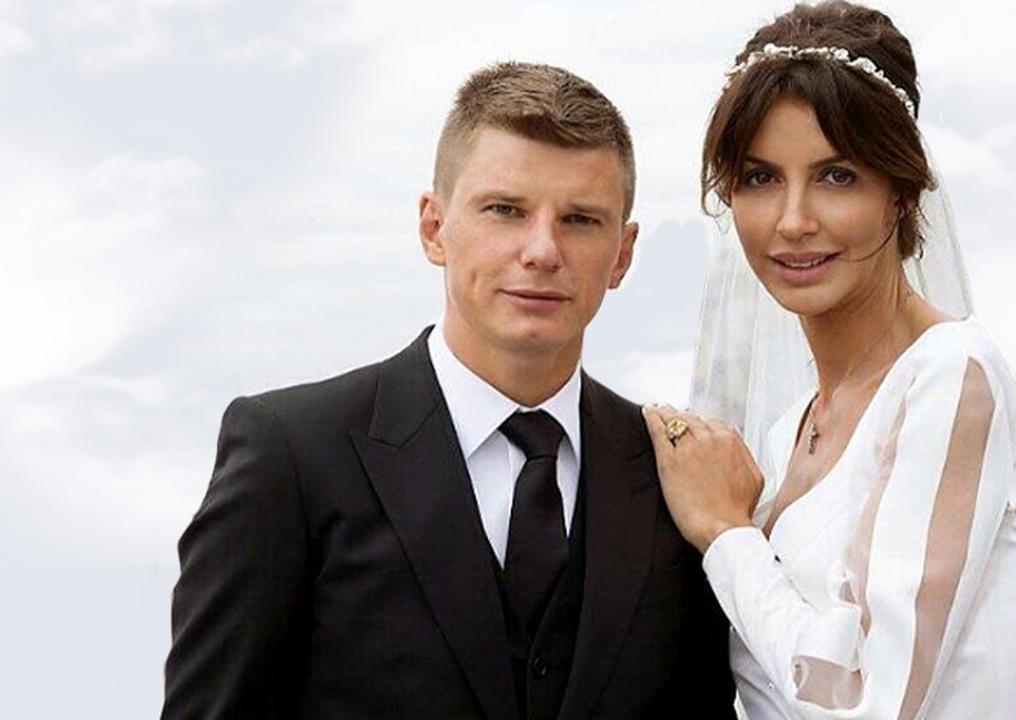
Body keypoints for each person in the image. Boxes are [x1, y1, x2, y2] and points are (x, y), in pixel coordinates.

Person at [162, 62, 735, 720]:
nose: (542, 250)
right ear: (434, 228)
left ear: (623, 254)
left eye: (580, 219)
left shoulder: (675, 474)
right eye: (506, 211)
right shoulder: (290, 456)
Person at [642, 2, 1016, 718]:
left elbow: (871, 702)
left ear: (901, 194)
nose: (793, 220)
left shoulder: (951, 378)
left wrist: (727, 534)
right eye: (760, 178)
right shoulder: (787, 432)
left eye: (836, 176)